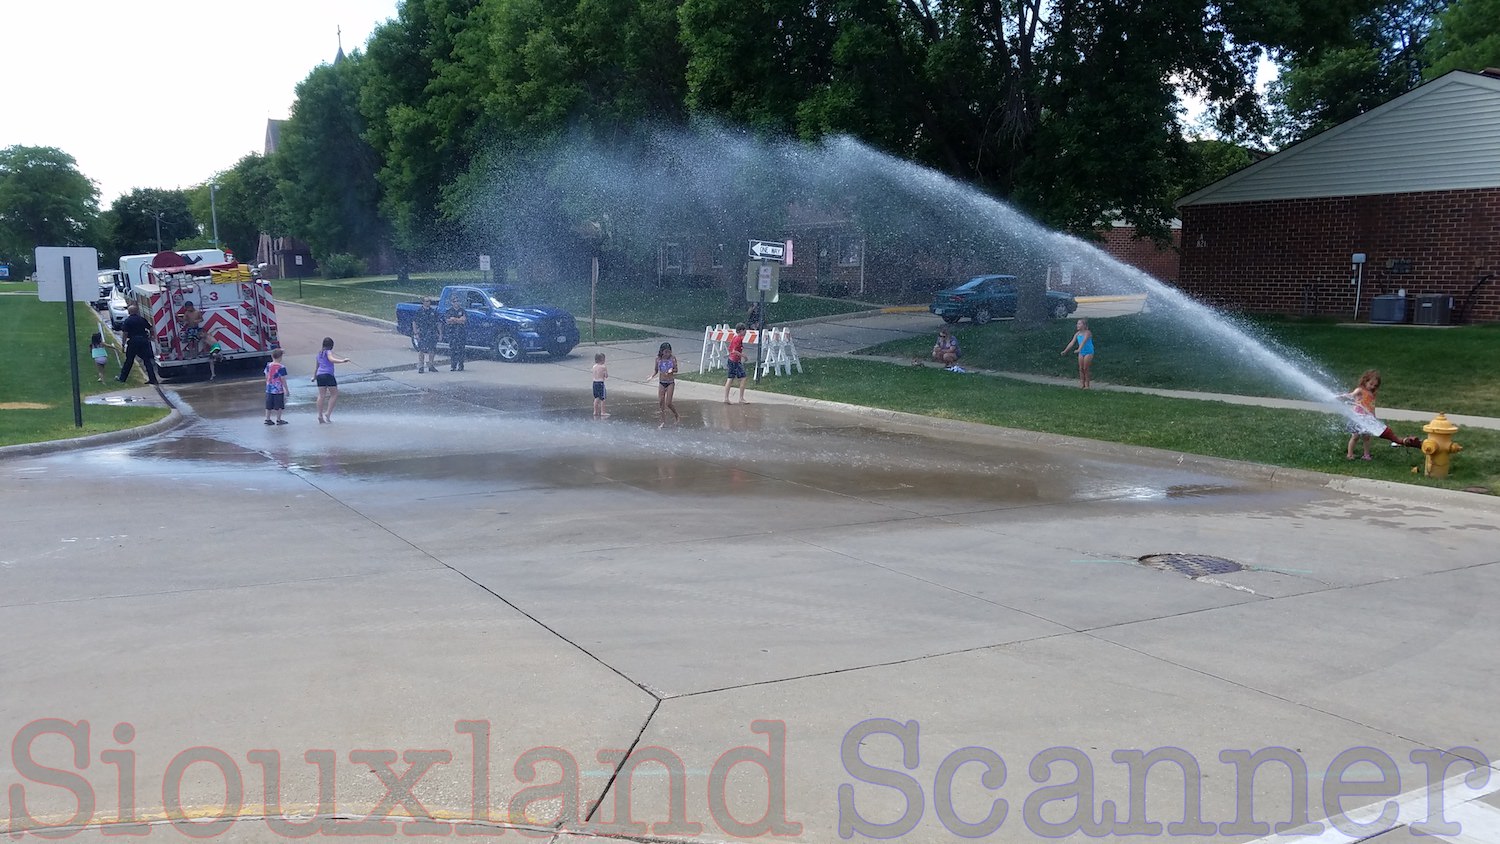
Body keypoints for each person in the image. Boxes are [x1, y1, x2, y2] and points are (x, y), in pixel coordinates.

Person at [1339, 369, 1421, 458]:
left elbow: (1372, 406)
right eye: (1371, 384)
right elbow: (1351, 395)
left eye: (1375, 385)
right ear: (1365, 381)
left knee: (1367, 437)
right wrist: (1339, 396)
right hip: (1359, 417)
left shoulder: (1373, 394)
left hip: (1368, 418)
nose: (1373, 387)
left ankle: (1366, 455)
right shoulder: (1360, 390)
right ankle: (1350, 454)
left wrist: (1374, 416)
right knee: (1355, 437)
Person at [116, 304, 158, 385]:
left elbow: (125, 333)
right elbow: (151, 328)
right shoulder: (142, 319)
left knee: (129, 360)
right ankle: (153, 379)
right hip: (144, 341)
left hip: (133, 342)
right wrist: (150, 336)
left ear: (129, 312)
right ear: (137, 311)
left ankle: (122, 378)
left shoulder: (127, 321)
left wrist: (123, 344)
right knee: (147, 360)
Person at [314, 337, 352, 424]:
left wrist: (314, 377)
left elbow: (317, 367)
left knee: (321, 395)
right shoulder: (328, 352)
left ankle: (320, 415)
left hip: (320, 375)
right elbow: (331, 359)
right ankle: (327, 413)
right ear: (331, 346)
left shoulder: (319, 354)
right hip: (328, 375)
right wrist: (343, 361)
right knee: (334, 394)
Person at [646, 341, 680, 428]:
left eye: (669, 352)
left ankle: (676, 415)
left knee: (668, 403)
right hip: (662, 382)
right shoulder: (658, 359)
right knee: (661, 402)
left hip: (670, 383)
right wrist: (651, 376)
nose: (667, 354)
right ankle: (663, 421)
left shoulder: (672, 359)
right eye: (666, 352)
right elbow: (656, 370)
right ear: (661, 351)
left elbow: (676, 369)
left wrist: (671, 370)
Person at [1060, 318, 1094, 389]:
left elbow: (1083, 342)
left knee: (1085, 368)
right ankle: (1082, 383)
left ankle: (1087, 385)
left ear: (1084, 325)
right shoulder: (1077, 334)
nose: (1077, 325)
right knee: (1081, 368)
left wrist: (1079, 349)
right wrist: (1065, 351)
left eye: (1079, 324)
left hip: (1088, 352)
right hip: (1081, 352)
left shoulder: (1088, 333)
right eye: (1077, 324)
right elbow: (1071, 343)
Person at [724, 323, 750, 404]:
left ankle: (726, 398)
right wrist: (743, 356)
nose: (746, 332)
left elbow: (730, 348)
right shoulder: (738, 339)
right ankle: (741, 398)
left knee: (730, 378)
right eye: (745, 330)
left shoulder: (735, 337)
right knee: (743, 378)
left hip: (731, 360)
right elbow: (734, 350)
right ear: (741, 331)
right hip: (735, 361)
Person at [412, 297, 440, 373]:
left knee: (432, 350)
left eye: (429, 301)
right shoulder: (419, 311)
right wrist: (416, 333)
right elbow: (414, 322)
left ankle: (431, 365)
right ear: (423, 302)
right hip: (422, 333)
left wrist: (440, 333)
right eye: (427, 301)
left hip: (432, 333)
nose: (428, 302)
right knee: (421, 350)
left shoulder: (433, 311)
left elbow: (438, 323)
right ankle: (421, 366)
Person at [263, 349, 290, 426]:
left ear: (272, 356)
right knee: (279, 405)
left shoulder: (268, 365)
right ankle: (278, 419)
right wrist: (286, 389)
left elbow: (266, 375)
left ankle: (267, 419)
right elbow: (282, 379)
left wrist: (268, 383)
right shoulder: (281, 367)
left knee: (268, 405)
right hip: (278, 389)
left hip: (269, 388)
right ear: (280, 357)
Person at [444, 296, 468, 371]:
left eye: (458, 301)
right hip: (452, 333)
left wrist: (454, 319)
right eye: (455, 301)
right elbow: (448, 321)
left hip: (461, 333)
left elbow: (464, 320)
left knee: (461, 349)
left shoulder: (463, 311)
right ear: (452, 303)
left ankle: (461, 365)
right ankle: (453, 365)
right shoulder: (449, 311)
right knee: (452, 349)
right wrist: (458, 320)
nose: (456, 303)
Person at [592, 353, 610, 418]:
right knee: (603, 398)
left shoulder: (594, 366)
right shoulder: (603, 367)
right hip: (600, 383)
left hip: (594, 383)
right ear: (602, 360)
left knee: (596, 398)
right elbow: (606, 376)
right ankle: (603, 412)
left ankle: (595, 411)